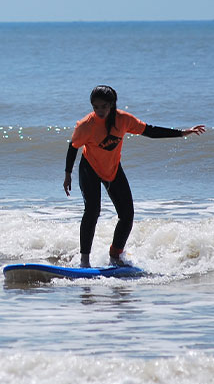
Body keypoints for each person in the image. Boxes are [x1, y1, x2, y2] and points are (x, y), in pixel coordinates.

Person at [63, 85, 204, 268]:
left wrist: (181, 133)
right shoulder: (86, 125)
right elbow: (73, 147)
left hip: (112, 169)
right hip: (89, 168)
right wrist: (68, 175)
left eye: (104, 106)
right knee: (92, 212)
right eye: (96, 107)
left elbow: (150, 131)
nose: (100, 111)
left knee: (127, 214)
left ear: (112, 104)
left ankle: (115, 255)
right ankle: (84, 261)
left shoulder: (123, 120)